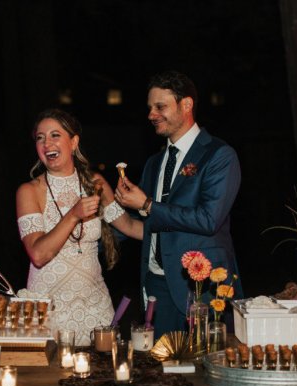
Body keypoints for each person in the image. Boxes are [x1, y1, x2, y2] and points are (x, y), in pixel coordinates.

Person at [115, 70, 243, 338]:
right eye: (150, 108)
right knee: (159, 373)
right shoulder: (154, 162)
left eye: (160, 106)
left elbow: (209, 219)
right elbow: (143, 223)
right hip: (156, 285)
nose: (151, 115)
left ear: (186, 105)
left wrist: (148, 204)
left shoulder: (218, 155)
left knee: (205, 372)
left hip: (202, 289)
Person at [16, 108, 142, 346]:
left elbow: (130, 226)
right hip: (50, 311)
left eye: (55, 135)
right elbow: (39, 254)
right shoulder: (29, 191)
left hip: (95, 308)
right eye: (40, 138)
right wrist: (73, 215)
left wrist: (170, 225)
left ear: (73, 142)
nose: (47, 143)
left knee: (100, 379)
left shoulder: (96, 184)